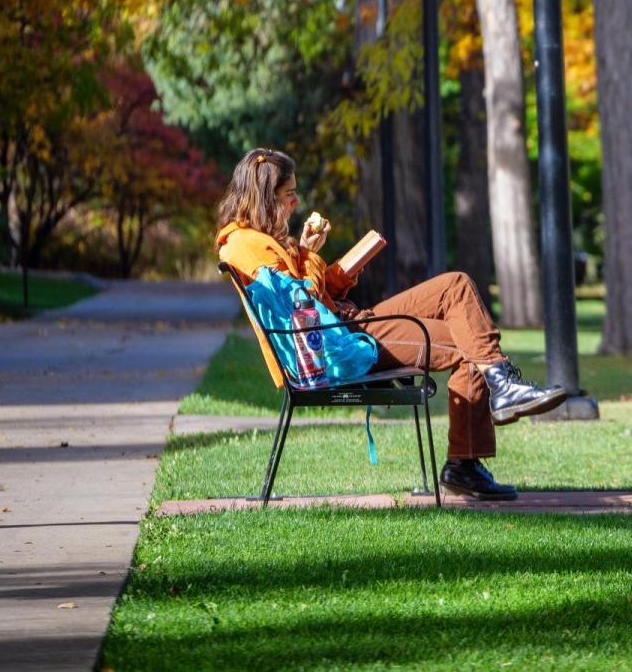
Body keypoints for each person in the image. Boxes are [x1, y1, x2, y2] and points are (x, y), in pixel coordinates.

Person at [214, 147, 566, 500]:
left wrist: (338, 266)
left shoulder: (264, 239)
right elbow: (299, 306)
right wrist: (309, 256)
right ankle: (466, 461)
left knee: (456, 286)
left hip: (348, 325)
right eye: (289, 194)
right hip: (340, 344)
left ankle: (497, 385)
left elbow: (315, 296)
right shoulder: (245, 244)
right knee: (469, 344)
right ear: (264, 197)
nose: (296, 202)